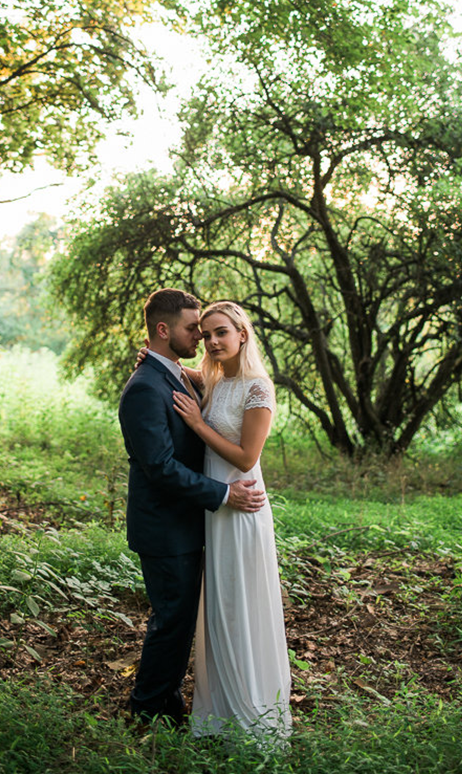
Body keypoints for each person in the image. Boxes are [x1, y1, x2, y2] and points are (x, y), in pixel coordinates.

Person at [118, 288, 266, 727]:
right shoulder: (146, 387)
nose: (201, 338)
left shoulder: (178, 374)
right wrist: (223, 495)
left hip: (190, 522)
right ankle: (146, 711)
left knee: (182, 621)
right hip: (165, 527)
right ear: (164, 330)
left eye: (211, 332)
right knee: (171, 622)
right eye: (193, 329)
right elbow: (160, 468)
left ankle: (168, 702)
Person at [173, 300, 291, 745]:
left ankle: (252, 717)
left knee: (241, 607)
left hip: (241, 510)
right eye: (206, 335)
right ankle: (217, 713)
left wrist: (198, 424)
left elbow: (246, 457)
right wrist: (161, 359)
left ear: (243, 333)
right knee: (219, 609)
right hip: (216, 512)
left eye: (221, 332)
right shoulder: (217, 380)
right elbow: (195, 376)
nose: (213, 341)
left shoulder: (258, 389)